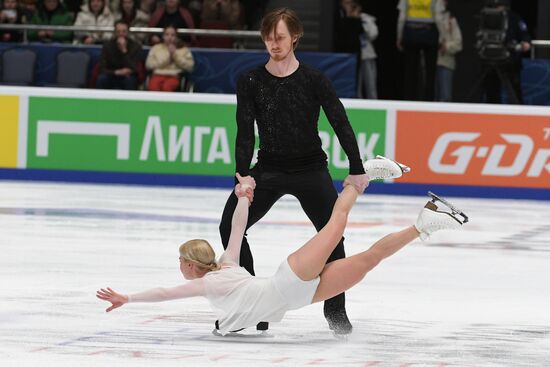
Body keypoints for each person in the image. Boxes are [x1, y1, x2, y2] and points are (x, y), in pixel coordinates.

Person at [96, 157, 468, 335]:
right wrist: (244, 195)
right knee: (368, 260)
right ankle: (425, 223)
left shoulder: (210, 281)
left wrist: (129, 297)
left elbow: (166, 292)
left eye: (180, 262)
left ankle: (364, 174)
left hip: (288, 281)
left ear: (191, 265)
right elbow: (238, 226)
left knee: (335, 226)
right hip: (299, 298)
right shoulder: (226, 266)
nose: (180, 269)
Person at [218, 7, 370, 335]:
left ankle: (336, 312)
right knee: (229, 225)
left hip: (309, 168)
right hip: (269, 169)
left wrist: (357, 168)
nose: (274, 44)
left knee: (333, 236)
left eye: (280, 37)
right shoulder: (250, 80)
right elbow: (245, 130)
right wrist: (241, 174)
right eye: (269, 38)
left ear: (295, 37)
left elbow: (339, 121)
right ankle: (253, 304)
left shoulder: (314, 79)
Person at [480, 0, 531, 104]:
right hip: (491, 57)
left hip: (510, 60)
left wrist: (525, 43)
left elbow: (524, 35)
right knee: (491, 90)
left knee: (514, 90)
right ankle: (491, 114)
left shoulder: (514, 18)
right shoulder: (487, 16)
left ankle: (517, 113)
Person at [396, 0, 444, 101]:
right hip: (430, 34)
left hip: (411, 34)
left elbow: (401, 18)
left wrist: (399, 37)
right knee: (430, 72)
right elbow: (439, 18)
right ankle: (429, 102)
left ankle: (409, 101)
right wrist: (442, 37)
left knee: (410, 72)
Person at [96, 19, 142, 90]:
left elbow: (135, 68)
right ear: (115, 32)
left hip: (127, 76)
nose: (121, 34)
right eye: (118, 31)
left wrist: (124, 51)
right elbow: (102, 68)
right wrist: (116, 72)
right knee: (102, 79)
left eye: (124, 31)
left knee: (130, 81)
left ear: (128, 32)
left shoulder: (135, 46)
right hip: (112, 74)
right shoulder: (108, 45)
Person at [145, 25, 194, 91]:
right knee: (153, 87)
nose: (169, 37)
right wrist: (168, 57)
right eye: (167, 34)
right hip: (157, 75)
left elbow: (190, 67)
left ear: (176, 37)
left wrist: (175, 55)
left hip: (174, 76)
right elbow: (149, 65)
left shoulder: (184, 50)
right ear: (163, 36)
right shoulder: (156, 48)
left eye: (172, 35)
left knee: (167, 87)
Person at [435, 0, 462, 102]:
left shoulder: (451, 20)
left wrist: (445, 46)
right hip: (430, 63)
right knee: (430, 97)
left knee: (445, 97)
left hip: (445, 63)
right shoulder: (429, 20)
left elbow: (458, 44)